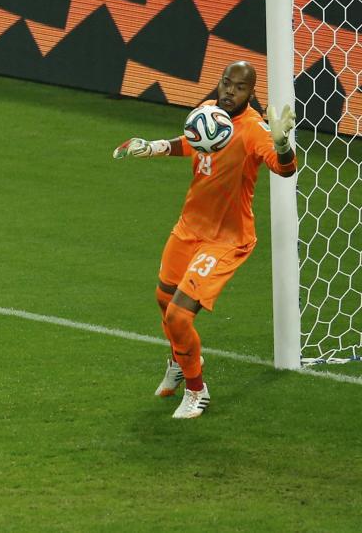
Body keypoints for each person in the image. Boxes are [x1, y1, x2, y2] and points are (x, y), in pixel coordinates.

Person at [112, 60, 297, 419]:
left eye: (239, 87)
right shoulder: (207, 111)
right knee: (164, 302)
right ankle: (180, 362)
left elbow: (285, 169)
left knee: (180, 317)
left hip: (225, 239)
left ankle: (197, 391)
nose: (229, 90)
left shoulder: (256, 131)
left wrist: (283, 143)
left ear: (251, 93)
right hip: (189, 227)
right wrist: (153, 147)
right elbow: (194, 143)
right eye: (226, 82)